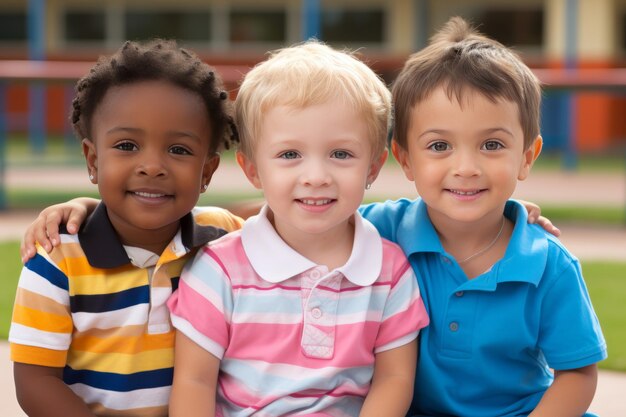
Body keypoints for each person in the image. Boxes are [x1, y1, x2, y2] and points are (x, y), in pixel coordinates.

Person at [358, 17, 607, 416]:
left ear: (526, 157)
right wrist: (225, 217)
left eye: (492, 144)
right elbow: (294, 218)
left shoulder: (548, 264)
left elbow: (577, 373)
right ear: (405, 159)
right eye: (439, 145)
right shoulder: (378, 229)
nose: (466, 167)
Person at [167, 41, 428, 417]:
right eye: (290, 155)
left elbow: (394, 380)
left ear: (372, 167)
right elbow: (194, 383)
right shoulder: (219, 270)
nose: (316, 177)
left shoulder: (391, 271)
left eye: (341, 154)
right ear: (253, 169)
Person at [9, 39, 244, 417]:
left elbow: (287, 218)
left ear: (207, 172)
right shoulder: (58, 258)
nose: (152, 166)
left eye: (179, 150)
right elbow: (35, 381)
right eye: (127, 145)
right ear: (92, 160)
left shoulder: (223, 235)